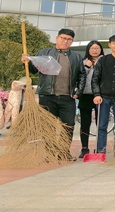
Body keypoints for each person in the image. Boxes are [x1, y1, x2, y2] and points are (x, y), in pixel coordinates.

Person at [23, 28, 83, 161]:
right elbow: (33, 70)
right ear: (57, 38)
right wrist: (27, 61)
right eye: (63, 38)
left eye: (69, 39)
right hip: (47, 96)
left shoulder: (76, 57)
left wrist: (78, 91)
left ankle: (63, 153)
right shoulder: (44, 53)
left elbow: (82, 76)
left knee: (68, 125)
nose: (65, 41)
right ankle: (49, 153)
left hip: (67, 97)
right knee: (48, 126)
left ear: (72, 41)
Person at [76, 40, 104, 158]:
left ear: (101, 50)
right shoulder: (82, 62)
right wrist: (87, 66)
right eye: (92, 48)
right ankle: (84, 148)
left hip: (100, 95)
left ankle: (100, 147)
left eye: (97, 48)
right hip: (86, 95)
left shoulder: (105, 61)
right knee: (85, 123)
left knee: (100, 123)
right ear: (88, 50)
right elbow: (79, 77)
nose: (95, 50)